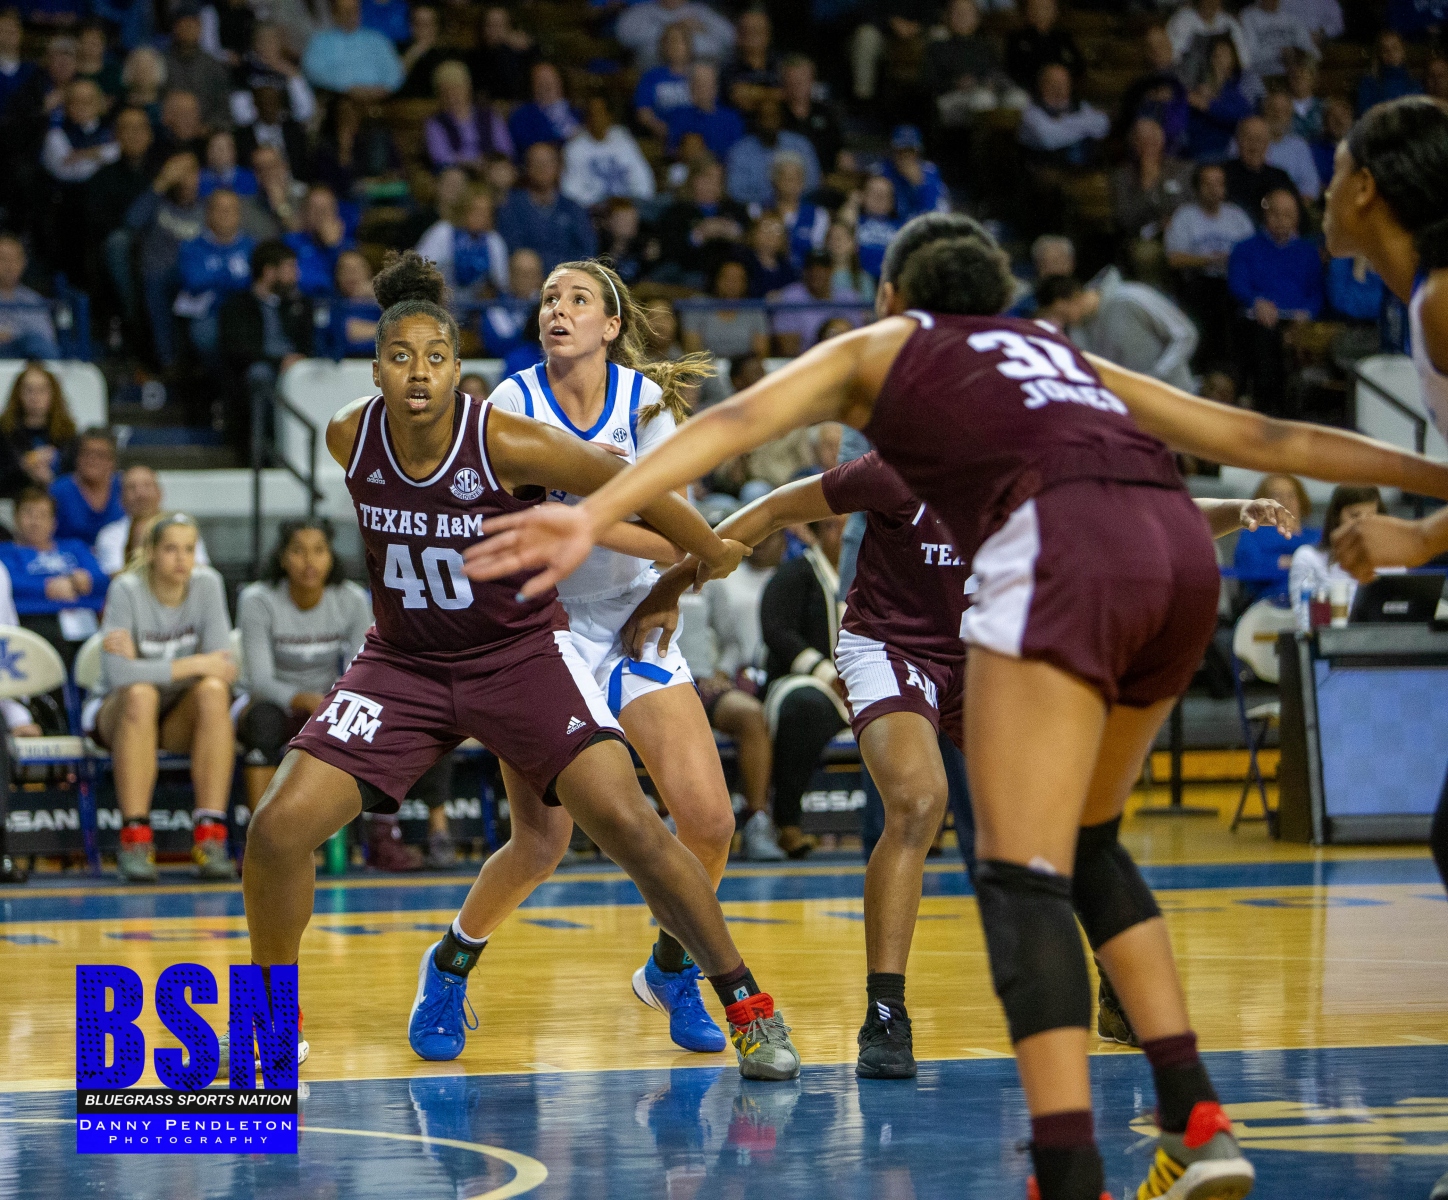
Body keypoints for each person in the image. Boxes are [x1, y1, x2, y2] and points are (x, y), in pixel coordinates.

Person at [462, 214, 1448, 1200]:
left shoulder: (892, 347)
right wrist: (1435, 492)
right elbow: (1263, 436)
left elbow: (731, 426)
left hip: (1045, 587)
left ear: (893, 296)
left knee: (1015, 872)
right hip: (1172, 564)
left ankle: (1068, 1168)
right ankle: (1191, 1113)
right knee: (1080, 840)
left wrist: (593, 513)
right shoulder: (1053, 351)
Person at [236, 250, 799, 1084]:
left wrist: (705, 552)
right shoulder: (349, 434)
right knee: (277, 830)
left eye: (436, 358)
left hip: (516, 656)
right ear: (374, 371)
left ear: (457, 369)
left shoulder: (502, 436)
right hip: (403, 666)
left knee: (634, 824)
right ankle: (270, 1026)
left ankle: (746, 1005)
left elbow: (626, 481)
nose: (418, 373)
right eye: (400, 357)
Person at [455, 255, 783, 1056]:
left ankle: (671, 968)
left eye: (578, 299)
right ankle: (451, 962)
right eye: (548, 298)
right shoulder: (511, 404)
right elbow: (532, 533)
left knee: (709, 823)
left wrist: (653, 569)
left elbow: (685, 538)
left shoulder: (645, 405)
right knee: (542, 844)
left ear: (610, 326)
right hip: (543, 629)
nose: (557, 309)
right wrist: (628, 521)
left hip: (634, 612)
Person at [1318, 105, 1448, 1040]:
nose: (1321, 192)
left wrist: (1425, 538)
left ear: (1366, 188)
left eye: (1333, 172)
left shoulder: (1442, 302)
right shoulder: (1424, 303)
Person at [94, 513, 238, 883]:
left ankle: (210, 837)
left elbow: (223, 668)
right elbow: (118, 675)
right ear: (151, 552)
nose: (181, 559)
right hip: (119, 713)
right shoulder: (126, 588)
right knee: (141, 694)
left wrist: (143, 664)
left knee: (213, 691)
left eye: (189, 549)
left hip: (176, 716)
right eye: (171, 549)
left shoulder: (208, 584)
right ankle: (135, 841)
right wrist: (195, 663)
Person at [235, 518, 371, 813]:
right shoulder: (257, 599)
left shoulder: (352, 599)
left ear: (331, 556)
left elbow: (361, 671)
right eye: (298, 551)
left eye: (319, 550)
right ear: (282, 557)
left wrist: (330, 703)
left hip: (329, 701)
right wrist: (306, 700)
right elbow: (260, 681)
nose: (310, 561)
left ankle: (362, 828)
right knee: (263, 721)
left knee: (359, 722)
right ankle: (261, 831)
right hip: (271, 703)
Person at [1228, 187, 1324, 414]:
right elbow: (1238, 284)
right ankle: (1268, 408)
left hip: (1298, 320)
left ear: (1297, 218)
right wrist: (1256, 301)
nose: (1281, 221)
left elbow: (1317, 292)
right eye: (1275, 214)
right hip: (1259, 319)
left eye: (1287, 215)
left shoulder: (1308, 252)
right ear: (1265, 214)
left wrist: (1307, 312)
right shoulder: (1245, 248)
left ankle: (1292, 411)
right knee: (1265, 335)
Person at [218, 239, 313, 453]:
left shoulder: (300, 305)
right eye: (290, 268)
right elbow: (237, 350)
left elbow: (309, 344)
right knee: (259, 374)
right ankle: (264, 449)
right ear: (269, 272)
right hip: (260, 370)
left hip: (297, 369)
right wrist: (279, 361)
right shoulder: (237, 305)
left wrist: (298, 360)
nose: (296, 275)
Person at [1035, 271, 1198, 394]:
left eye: (1060, 313)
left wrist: (1156, 376)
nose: (1060, 321)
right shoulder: (1077, 332)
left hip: (1177, 396)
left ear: (1074, 296)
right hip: (1135, 411)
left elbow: (1185, 334)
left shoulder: (1130, 297)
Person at [0, 486, 106, 669]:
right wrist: (46, 587)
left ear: (54, 522)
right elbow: (10, 583)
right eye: (29, 514)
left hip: (85, 621)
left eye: (43, 515)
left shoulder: (75, 547)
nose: (35, 521)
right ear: (15, 518)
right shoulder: (6, 552)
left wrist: (84, 581)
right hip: (33, 622)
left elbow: (101, 579)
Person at [496, 142, 597, 273]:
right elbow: (511, 248)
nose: (542, 168)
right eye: (536, 162)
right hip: (527, 277)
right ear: (527, 167)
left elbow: (587, 250)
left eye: (548, 162)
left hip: (567, 278)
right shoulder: (511, 205)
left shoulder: (573, 208)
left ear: (559, 167)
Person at [95, 465, 211, 576]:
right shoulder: (110, 535)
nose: (140, 494)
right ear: (121, 497)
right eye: (132, 487)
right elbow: (118, 578)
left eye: (147, 485)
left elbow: (201, 571)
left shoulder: (183, 525)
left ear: (160, 492)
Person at [1288, 485, 1384, 613]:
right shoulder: (1308, 557)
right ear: (1337, 516)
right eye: (1355, 516)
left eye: (1371, 516)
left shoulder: (1393, 562)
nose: (1363, 525)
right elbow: (1304, 618)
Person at [560, 95, 655, 209]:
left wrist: (631, 202)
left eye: (600, 113)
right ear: (586, 119)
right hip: (594, 209)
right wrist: (599, 205)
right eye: (592, 114)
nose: (596, 119)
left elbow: (642, 177)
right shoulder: (574, 147)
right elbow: (570, 191)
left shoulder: (622, 138)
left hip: (628, 205)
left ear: (609, 117)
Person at [415, 187, 509, 302]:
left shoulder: (493, 241)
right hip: (439, 302)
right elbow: (419, 269)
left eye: (486, 211)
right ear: (463, 209)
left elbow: (502, 283)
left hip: (476, 307)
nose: (481, 216)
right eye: (476, 210)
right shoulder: (444, 232)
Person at [1232, 472, 1312, 604]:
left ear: (1301, 501)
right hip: (1268, 603)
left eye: (1291, 495)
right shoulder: (1253, 532)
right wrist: (1293, 562)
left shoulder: (1317, 535)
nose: (1285, 502)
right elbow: (1250, 565)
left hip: (1312, 602)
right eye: (1277, 496)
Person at [0, 361, 76, 496]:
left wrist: (52, 481)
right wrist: (24, 465)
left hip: (56, 501)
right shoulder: (4, 432)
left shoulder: (67, 433)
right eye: (29, 390)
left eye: (42, 390)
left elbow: (76, 478)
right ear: (18, 394)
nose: (35, 397)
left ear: (53, 394)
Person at [423, 60, 513, 174]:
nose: (452, 96)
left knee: (502, 172)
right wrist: (470, 163)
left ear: (467, 88)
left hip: (490, 168)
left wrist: (489, 163)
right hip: (457, 171)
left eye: (456, 89)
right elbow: (441, 157)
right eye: (445, 92)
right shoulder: (435, 123)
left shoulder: (489, 116)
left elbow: (505, 149)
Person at [301, 0, 402, 99]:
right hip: (338, 96)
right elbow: (313, 71)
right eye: (345, 11)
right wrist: (348, 88)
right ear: (335, 14)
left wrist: (382, 90)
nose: (350, 15)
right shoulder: (320, 41)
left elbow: (394, 71)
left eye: (354, 10)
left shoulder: (378, 39)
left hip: (381, 97)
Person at [680, 260, 769, 361]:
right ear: (716, 280)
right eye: (727, 278)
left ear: (746, 283)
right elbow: (692, 350)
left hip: (744, 367)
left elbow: (761, 352)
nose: (732, 284)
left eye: (738, 279)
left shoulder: (754, 309)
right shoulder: (697, 305)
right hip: (706, 367)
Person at [50, 426, 122, 547]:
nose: (92, 459)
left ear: (112, 461)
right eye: (86, 453)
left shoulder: (125, 487)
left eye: (100, 454)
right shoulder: (59, 490)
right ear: (77, 457)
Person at [616, 0, 734, 73]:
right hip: (656, 69)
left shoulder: (701, 11)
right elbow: (623, 36)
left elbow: (731, 36)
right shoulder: (641, 12)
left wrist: (703, 27)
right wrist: (674, 28)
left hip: (703, 71)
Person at [0, 235, 60, 360]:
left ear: (23, 263)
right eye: (3, 259)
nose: (9, 266)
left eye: (14, 259)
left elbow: (46, 341)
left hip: (26, 362)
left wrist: (12, 335)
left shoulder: (34, 301)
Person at [507, 61, 581, 156]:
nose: (546, 84)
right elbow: (526, 147)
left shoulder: (579, 111)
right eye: (540, 80)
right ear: (532, 85)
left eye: (550, 78)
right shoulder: (521, 116)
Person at [634, 22, 693, 141]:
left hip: (696, 136)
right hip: (661, 137)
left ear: (688, 45)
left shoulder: (700, 75)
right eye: (669, 41)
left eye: (678, 41)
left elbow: (709, 109)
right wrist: (659, 127)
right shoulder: (651, 77)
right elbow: (643, 112)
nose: (674, 46)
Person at [1261, 90, 1321, 202]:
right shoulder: (1248, 138)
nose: (1278, 115)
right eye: (1273, 109)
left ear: (1290, 116)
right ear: (1264, 111)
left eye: (1283, 111)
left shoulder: (1299, 146)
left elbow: (1310, 185)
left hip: (1290, 205)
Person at [1356, 31, 1420, 116]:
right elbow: (1364, 111)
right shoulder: (1369, 83)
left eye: (1395, 48)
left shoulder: (1414, 83)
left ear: (1403, 51)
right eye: (1385, 50)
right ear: (1379, 55)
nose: (1390, 53)